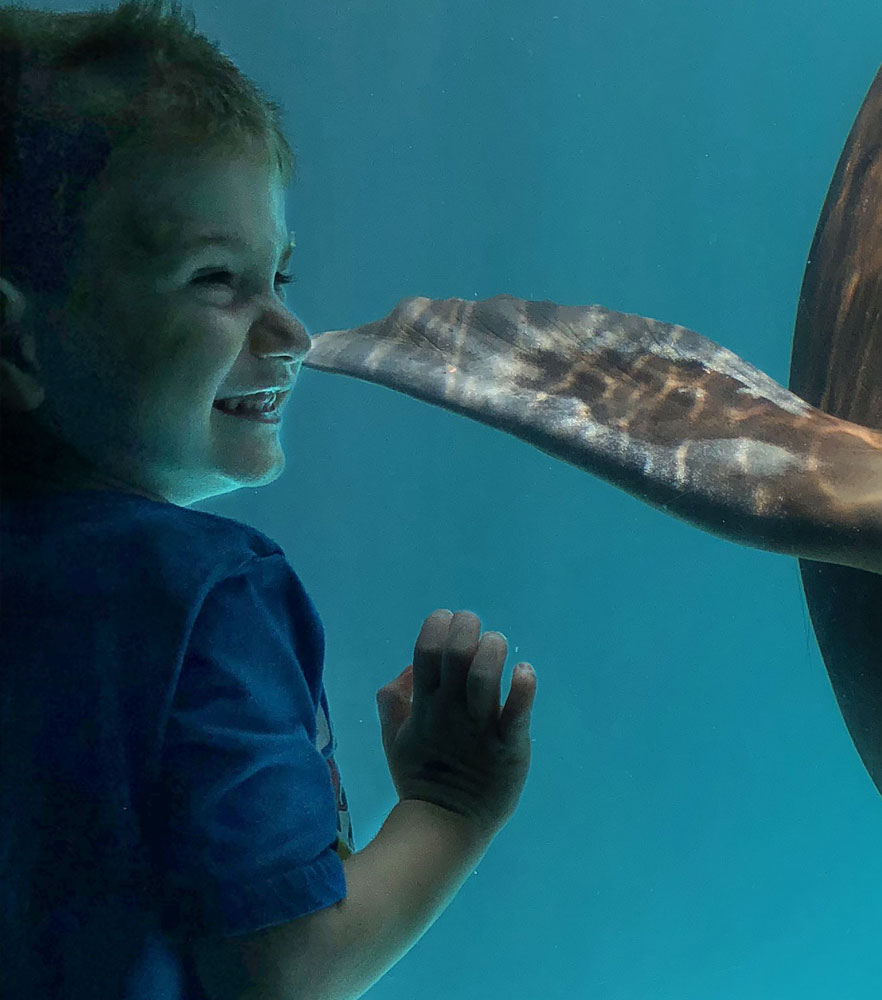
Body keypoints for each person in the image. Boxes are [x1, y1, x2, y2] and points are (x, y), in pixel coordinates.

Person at [0, 3, 537, 997]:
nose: (289, 330)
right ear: (18, 343)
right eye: (217, 281)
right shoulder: (202, 598)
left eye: (278, 276)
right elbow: (282, 970)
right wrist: (450, 804)